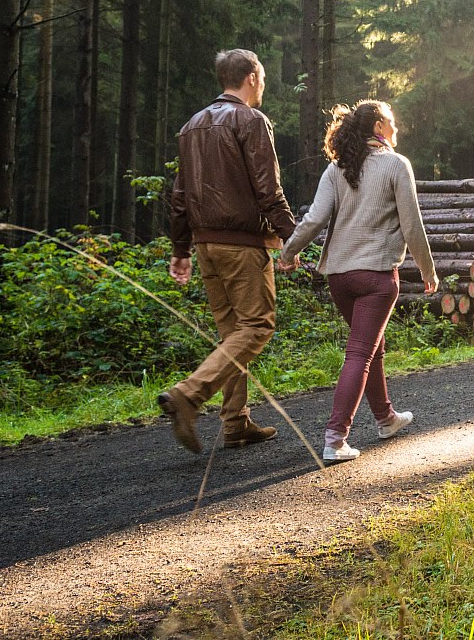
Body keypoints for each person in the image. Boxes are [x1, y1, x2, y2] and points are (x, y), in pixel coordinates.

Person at [280, 100, 438, 464]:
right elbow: (412, 224)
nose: (396, 129)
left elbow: (314, 219)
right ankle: (335, 439)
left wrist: (289, 252)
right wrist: (428, 270)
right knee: (360, 353)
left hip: (339, 278)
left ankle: (385, 418)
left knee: (370, 346)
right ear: (379, 126)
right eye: (392, 122)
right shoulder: (396, 164)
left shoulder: (337, 167)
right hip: (376, 278)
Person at [159, 49, 297, 454]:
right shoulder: (251, 120)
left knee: (233, 333)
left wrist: (181, 248)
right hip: (241, 244)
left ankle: (235, 423)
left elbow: (180, 195)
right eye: (263, 78)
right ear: (251, 77)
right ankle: (189, 394)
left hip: (205, 245)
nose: (263, 85)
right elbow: (268, 188)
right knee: (257, 326)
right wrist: (292, 238)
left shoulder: (191, 126)